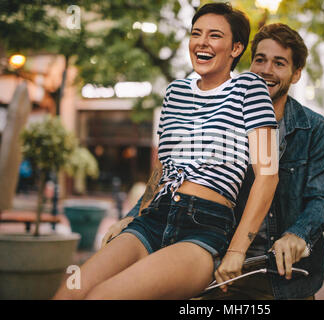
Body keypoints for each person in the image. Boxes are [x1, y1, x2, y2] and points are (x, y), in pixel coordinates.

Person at [53, 2, 279, 300]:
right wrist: (135, 214)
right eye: (196, 33)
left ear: (236, 48)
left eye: (215, 35)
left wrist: (237, 250)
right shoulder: (175, 93)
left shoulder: (250, 88)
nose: (202, 42)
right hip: (155, 218)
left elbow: (268, 173)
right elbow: (161, 168)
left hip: (203, 228)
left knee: (103, 296)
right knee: (71, 292)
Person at [200, 23, 324, 299]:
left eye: (279, 63)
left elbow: (321, 201)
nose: (266, 70)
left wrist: (298, 235)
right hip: (224, 272)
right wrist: (134, 216)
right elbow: (182, 178)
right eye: (260, 59)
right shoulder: (222, 122)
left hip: (288, 280)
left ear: (296, 74)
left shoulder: (315, 129)